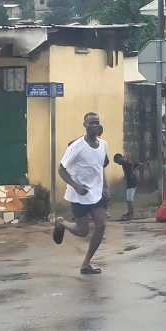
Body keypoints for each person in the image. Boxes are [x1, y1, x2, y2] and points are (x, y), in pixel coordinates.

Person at [52, 112, 110, 275]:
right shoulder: (76, 147)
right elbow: (61, 169)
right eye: (90, 123)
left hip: (96, 193)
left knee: (101, 225)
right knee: (82, 231)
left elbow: (100, 168)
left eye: (96, 122)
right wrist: (76, 186)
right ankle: (61, 223)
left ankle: (86, 263)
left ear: (99, 125)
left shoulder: (103, 144)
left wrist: (106, 186)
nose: (94, 125)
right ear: (84, 125)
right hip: (79, 194)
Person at [115, 154, 142, 221]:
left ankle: (130, 215)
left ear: (120, 158)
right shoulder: (126, 162)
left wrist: (131, 173)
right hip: (131, 181)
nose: (118, 163)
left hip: (132, 181)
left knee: (129, 199)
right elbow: (140, 164)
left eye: (117, 161)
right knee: (129, 198)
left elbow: (130, 163)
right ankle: (130, 213)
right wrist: (133, 170)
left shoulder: (126, 162)